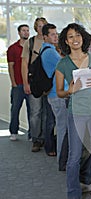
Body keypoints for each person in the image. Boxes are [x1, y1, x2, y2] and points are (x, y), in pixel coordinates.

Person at [56, 23, 91, 199]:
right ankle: (73, 193)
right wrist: (69, 90)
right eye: (70, 36)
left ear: (83, 38)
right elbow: (60, 93)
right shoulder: (62, 64)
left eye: (78, 35)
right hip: (76, 113)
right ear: (66, 41)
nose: (75, 39)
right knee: (74, 157)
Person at [21, 17, 49, 152]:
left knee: (46, 113)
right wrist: (25, 84)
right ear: (35, 27)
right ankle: (36, 139)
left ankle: (45, 138)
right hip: (34, 82)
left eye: (44, 26)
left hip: (48, 82)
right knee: (35, 112)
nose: (41, 28)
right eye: (38, 26)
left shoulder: (51, 40)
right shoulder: (30, 42)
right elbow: (24, 64)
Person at [41, 23, 67, 158]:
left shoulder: (48, 49)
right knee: (62, 126)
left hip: (56, 93)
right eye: (52, 34)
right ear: (45, 37)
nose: (55, 36)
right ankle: (62, 158)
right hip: (57, 94)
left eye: (56, 34)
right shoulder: (50, 51)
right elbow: (65, 67)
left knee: (61, 125)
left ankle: (62, 156)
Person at [6, 24, 31, 141]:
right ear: (19, 32)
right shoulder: (12, 48)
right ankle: (13, 132)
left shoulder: (31, 47)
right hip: (18, 85)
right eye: (23, 31)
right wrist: (13, 83)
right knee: (15, 109)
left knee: (32, 111)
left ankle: (32, 134)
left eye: (27, 30)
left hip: (30, 85)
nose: (26, 33)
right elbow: (10, 67)